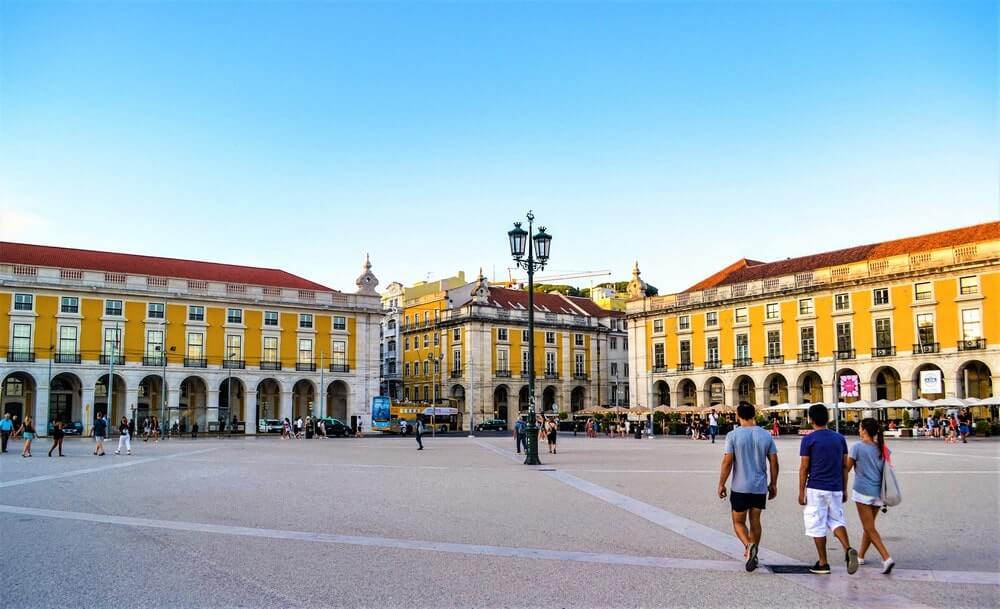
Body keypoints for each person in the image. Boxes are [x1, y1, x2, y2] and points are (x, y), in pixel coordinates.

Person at [798, 404, 858, 575]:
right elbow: (844, 467)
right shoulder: (839, 438)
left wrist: (801, 491)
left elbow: (804, 467)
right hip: (836, 487)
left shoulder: (809, 439)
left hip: (816, 487)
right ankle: (847, 549)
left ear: (811, 420)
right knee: (836, 520)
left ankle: (823, 562)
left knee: (816, 524)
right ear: (828, 419)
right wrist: (844, 489)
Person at [718, 403, 778, 572]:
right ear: (754, 415)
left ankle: (748, 546)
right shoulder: (766, 435)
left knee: (738, 522)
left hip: (740, 487)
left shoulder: (733, 435)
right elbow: (774, 461)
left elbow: (727, 461)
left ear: (738, 416)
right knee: (755, 521)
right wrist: (773, 483)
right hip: (759, 487)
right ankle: (753, 552)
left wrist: (721, 483)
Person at [848, 418, 895, 574]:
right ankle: (861, 555)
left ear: (865, 430)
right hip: (878, 492)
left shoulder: (857, 448)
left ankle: (886, 558)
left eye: (860, 428)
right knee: (870, 526)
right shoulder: (883, 448)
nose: (859, 430)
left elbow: (846, 468)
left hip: (862, 491)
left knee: (869, 527)